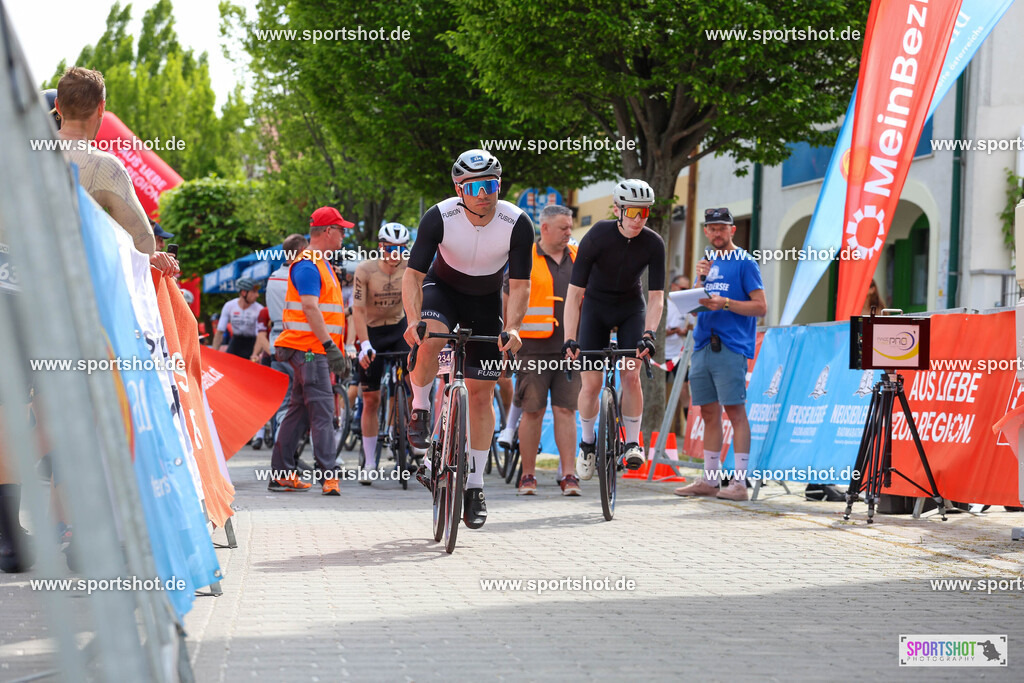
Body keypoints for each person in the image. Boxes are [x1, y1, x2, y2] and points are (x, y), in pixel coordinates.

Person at [403, 149, 531, 529]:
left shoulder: (517, 222)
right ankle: (421, 407)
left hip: (485, 299)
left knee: (481, 391)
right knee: (432, 338)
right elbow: (412, 275)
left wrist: (514, 327)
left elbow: (521, 285)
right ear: (459, 188)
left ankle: (474, 484)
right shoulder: (440, 216)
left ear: (499, 186)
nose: (483, 194)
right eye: (474, 186)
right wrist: (413, 321)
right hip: (441, 289)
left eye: (491, 185)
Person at [562, 179, 665, 478]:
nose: (638, 220)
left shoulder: (653, 243)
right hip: (595, 306)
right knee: (591, 385)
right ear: (618, 209)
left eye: (644, 213)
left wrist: (649, 333)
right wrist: (570, 337)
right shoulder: (597, 236)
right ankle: (588, 442)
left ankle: (632, 442)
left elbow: (657, 297)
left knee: (631, 374)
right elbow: (573, 295)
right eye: (632, 212)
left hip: (631, 306)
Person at [674, 208, 766, 501]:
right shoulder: (707, 262)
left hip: (731, 345)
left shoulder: (745, 262)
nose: (716, 233)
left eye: (721, 228)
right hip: (702, 344)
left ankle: (739, 483)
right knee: (708, 413)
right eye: (711, 228)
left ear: (732, 231)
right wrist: (696, 289)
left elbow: (761, 307)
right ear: (705, 231)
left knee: (735, 413)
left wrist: (726, 303)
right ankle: (710, 480)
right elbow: (701, 302)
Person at [53, 67, 177, 277]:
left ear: (58, 106)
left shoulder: (14, 150)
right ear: (101, 108)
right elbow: (145, 246)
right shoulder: (104, 165)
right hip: (60, 286)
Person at [268, 207, 352, 495]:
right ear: (327, 232)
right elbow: (309, 307)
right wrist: (330, 348)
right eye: (341, 229)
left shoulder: (318, 263)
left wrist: (338, 350)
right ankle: (329, 477)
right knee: (322, 413)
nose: (344, 234)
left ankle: (281, 474)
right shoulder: (308, 264)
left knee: (300, 412)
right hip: (310, 350)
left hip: (309, 349)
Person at [500, 205, 583, 496]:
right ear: (544, 228)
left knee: (566, 410)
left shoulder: (578, 258)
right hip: (532, 348)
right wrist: (508, 336)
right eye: (563, 228)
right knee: (532, 411)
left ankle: (569, 475)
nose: (569, 233)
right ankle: (528, 475)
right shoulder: (525, 258)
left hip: (570, 349)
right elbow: (508, 296)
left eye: (570, 227)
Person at [353, 223, 412, 484]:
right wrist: (364, 344)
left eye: (400, 250)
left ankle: (410, 432)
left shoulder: (410, 266)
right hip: (373, 333)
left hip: (398, 329)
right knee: (371, 400)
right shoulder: (365, 270)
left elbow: (418, 299)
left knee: (413, 380)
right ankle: (369, 461)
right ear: (381, 247)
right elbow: (358, 310)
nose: (395, 255)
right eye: (390, 249)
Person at [252, 234, 309, 441]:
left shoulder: (273, 277)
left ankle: (280, 445)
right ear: (302, 250)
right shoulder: (302, 275)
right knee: (313, 397)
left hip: (278, 344)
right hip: (302, 343)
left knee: (285, 401)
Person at [665, 275, 694, 430]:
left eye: (687, 289)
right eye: (683, 288)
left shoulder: (686, 305)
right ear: (674, 286)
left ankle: (688, 429)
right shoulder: (664, 304)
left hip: (679, 353)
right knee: (659, 391)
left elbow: (693, 325)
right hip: (661, 353)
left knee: (683, 391)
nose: (685, 291)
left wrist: (684, 331)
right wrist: (669, 332)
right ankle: (658, 428)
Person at [213, 278, 265, 359]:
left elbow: (260, 335)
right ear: (244, 292)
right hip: (235, 342)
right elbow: (220, 331)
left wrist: (255, 354)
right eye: (254, 292)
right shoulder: (229, 306)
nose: (257, 295)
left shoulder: (259, 309)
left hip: (252, 343)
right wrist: (214, 353)